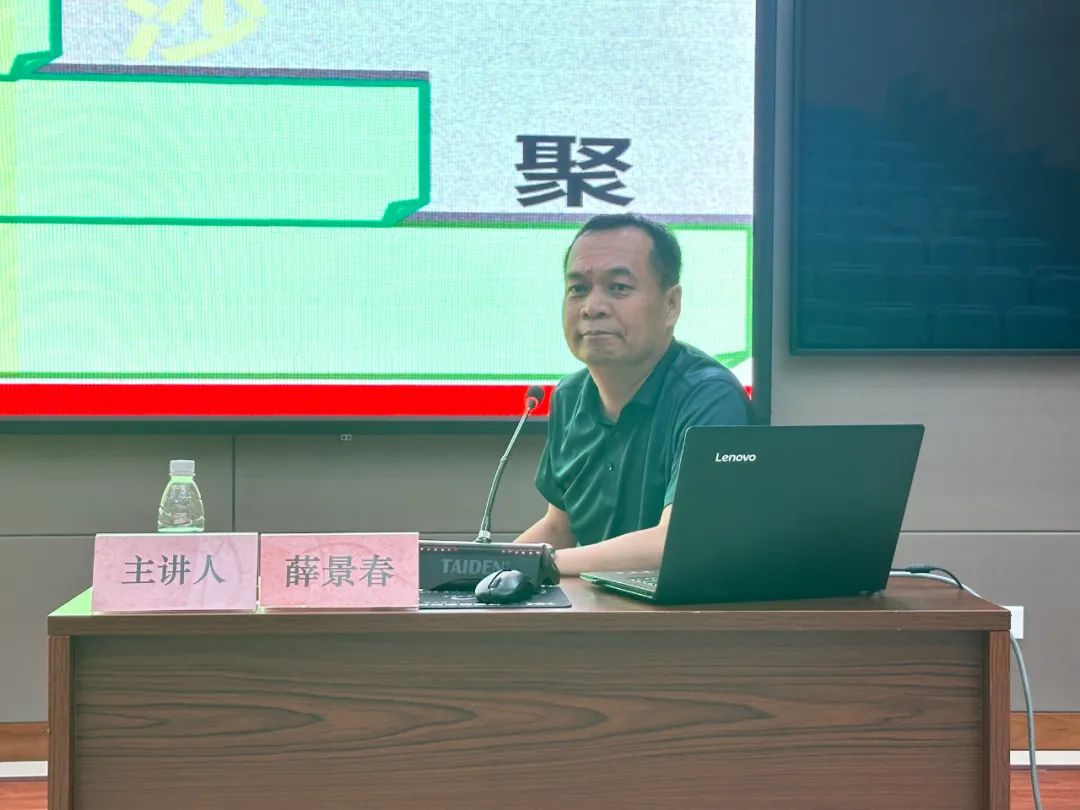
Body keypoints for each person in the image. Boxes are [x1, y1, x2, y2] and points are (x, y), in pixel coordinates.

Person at [514, 213, 750, 575]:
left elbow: (678, 540)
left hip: (683, 609)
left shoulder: (708, 397)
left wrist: (541, 565)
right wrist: (480, 568)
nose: (592, 307)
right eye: (578, 289)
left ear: (671, 305)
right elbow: (559, 527)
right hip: (595, 604)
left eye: (619, 287)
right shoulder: (569, 395)